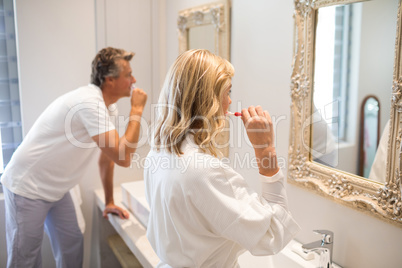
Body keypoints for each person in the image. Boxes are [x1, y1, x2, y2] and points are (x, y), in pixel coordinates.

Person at [144, 49, 300, 267]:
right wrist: (266, 151)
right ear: (209, 101)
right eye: (227, 92)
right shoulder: (203, 170)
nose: (229, 102)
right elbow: (275, 233)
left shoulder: (158, 152)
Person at [0, 47, 147, 268]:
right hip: (27, 187)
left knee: (72, 247)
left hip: (58, 188)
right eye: (128, 75)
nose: (134, 80)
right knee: (25, 261)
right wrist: (137, 110)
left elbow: (107, 158)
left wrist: (109, 201)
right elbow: (123, 157)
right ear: (109, 80)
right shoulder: (89, 103)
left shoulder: (109, 107)